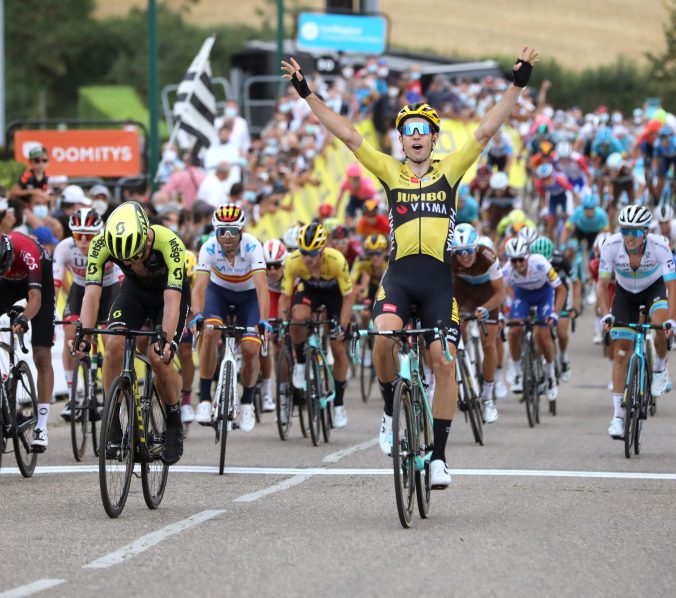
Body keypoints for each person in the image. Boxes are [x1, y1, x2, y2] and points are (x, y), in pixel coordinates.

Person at [282, 46, 539, 488]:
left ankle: (438, 457)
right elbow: (345, 133)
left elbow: (486, 130)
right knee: (383, 337)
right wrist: (307, 92)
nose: (416, 136)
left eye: (424, 130)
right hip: (400, 277)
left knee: (444, 362)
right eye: (408, 131)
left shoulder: (450, 169)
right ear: (400, 141)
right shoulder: (389, 170)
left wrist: (517, 85)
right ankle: (388, 410)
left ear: (433, 139)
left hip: (438, 282)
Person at [74, 201, 190, 465]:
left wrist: (168, 341)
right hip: (134, 293)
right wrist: (84, 335)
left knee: (159, 356)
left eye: (135, 256)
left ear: (146, 238)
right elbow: (92, 294)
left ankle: (173, 421)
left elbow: (172, 300)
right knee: (112, 343)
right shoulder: (101, 243)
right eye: (123, 259)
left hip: (168, 296)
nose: (129, 262)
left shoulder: (169, 243)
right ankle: (113, 419)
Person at [598, 205, 676, 440]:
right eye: (625, 230)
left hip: (654, 289)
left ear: (645, 231)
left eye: (634, 231)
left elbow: (672, 286)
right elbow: (602, 285)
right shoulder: (611, 246)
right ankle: (618, 417)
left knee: (659, 324)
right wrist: (605, 313)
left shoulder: (660, 246)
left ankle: (660, 367)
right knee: (621, 350)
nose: (629, 236)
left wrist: (672, 319)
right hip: (625, 294)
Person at [190, 204, 270, 432]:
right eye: (222, 231)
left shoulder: (253, 246)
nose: (227, 236)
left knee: (250, 349)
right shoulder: (208, 248)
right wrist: (197, 315)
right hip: (219, 294)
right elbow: (199, 289)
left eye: (232, 231)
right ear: (215, 232)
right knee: (209, 331)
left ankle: (247, 402)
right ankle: (205, 398)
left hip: (248, 297)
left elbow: (262, 288)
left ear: (241, 232)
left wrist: (264, 319)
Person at [278, 222, 355, 428]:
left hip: (335, 296)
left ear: (322, 250)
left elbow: (349, 297)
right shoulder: (294, 261)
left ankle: (338, 403)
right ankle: (302, 361)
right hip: (310, 291)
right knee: (298, 318)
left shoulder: (337, 260)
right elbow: (285, 297)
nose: (307, 258)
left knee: (338, 347)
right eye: (304, 252)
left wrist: (343, 325)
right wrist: (283, 323)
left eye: (312, 253)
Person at [53, 208, 121, 420]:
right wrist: (48, 313)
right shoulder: (64, 248)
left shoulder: (110, 247)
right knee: (71, 334)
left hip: (109, 291)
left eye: (89, 236)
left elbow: (123, 282)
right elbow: (54, 286)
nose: (83, 241)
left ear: (99, 234)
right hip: (80, 290)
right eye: (78, 235)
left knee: (112, 340)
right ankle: (74, 395)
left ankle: (113, 396)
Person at [0, 232, 55, 451]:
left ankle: (41, 426)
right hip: (7, 285)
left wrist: (24, 317)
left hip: (38, 282)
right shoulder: (4, 271)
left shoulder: (27, 252)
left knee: (41, 354)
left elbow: (35, 299)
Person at [451, 224, 505, 423]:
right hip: (463, 293)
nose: (465, 256)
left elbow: (500, 292)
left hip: (487, 295)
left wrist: (486, 308)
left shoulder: (487, 255)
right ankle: (461, 367)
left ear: (476, 247)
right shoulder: (449, 259)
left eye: (468, 250)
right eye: (459, 252)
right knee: (454, 331)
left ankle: (487, 398)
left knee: (489, 344)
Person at [503, 236, 565, 401]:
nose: (517, 264)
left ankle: (550, 375)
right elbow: (498, 293)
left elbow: (561, 290)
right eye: (513, 260)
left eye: (520, 259)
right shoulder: (507, 270)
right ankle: (517, 373)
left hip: (544, 295)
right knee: (514, 331)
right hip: (522, 296)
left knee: (544, 338)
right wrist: (503, 315)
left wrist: (555, 313)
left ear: (527, 256)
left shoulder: (540, 263)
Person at [335, 163, 378, 227]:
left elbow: (376, 197)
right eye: (353, 180)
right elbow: (339, 198)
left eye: (357, 179)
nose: (355, 183)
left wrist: (371, 213)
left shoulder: (367, 184)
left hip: (366, 199)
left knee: (368, 213)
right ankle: (349, 227)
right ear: (348, 178)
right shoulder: (345, 183)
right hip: (354, 198)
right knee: (347, 215)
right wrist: (336, 212)